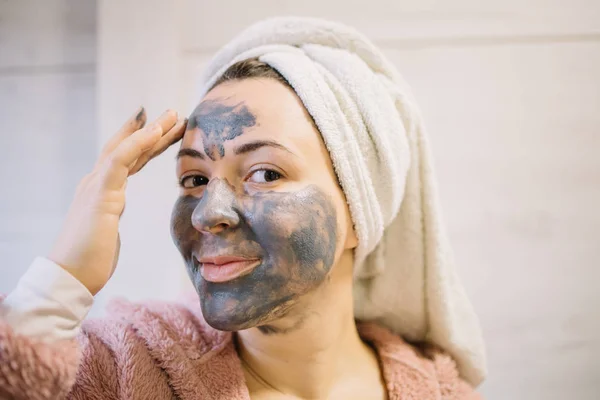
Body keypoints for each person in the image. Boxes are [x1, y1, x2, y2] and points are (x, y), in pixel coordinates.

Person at [0, 18, 486, 399]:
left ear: (359, 212)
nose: (206, 213)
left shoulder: (441, 393)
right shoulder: (118, 370)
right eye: (194, 179)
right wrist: (64, 276)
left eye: (265, 173)